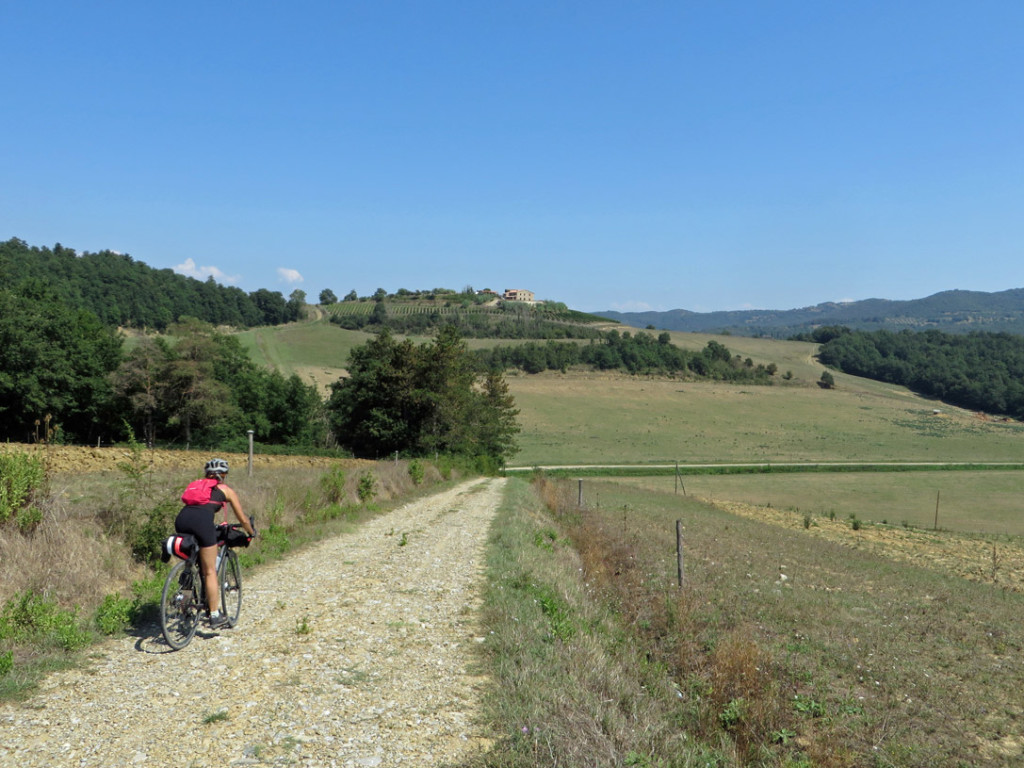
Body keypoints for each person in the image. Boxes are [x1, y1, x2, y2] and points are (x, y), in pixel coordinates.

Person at [175, 458, 256, 628]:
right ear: (224, 474)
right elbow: (242, 518)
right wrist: (251, 532)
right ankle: (214, 615)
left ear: (206, 473)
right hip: (202, 523)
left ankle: (184, 607)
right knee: (210, 571)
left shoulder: (196, 484)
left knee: (190, 564)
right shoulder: (225, 490)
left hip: (182, 520)